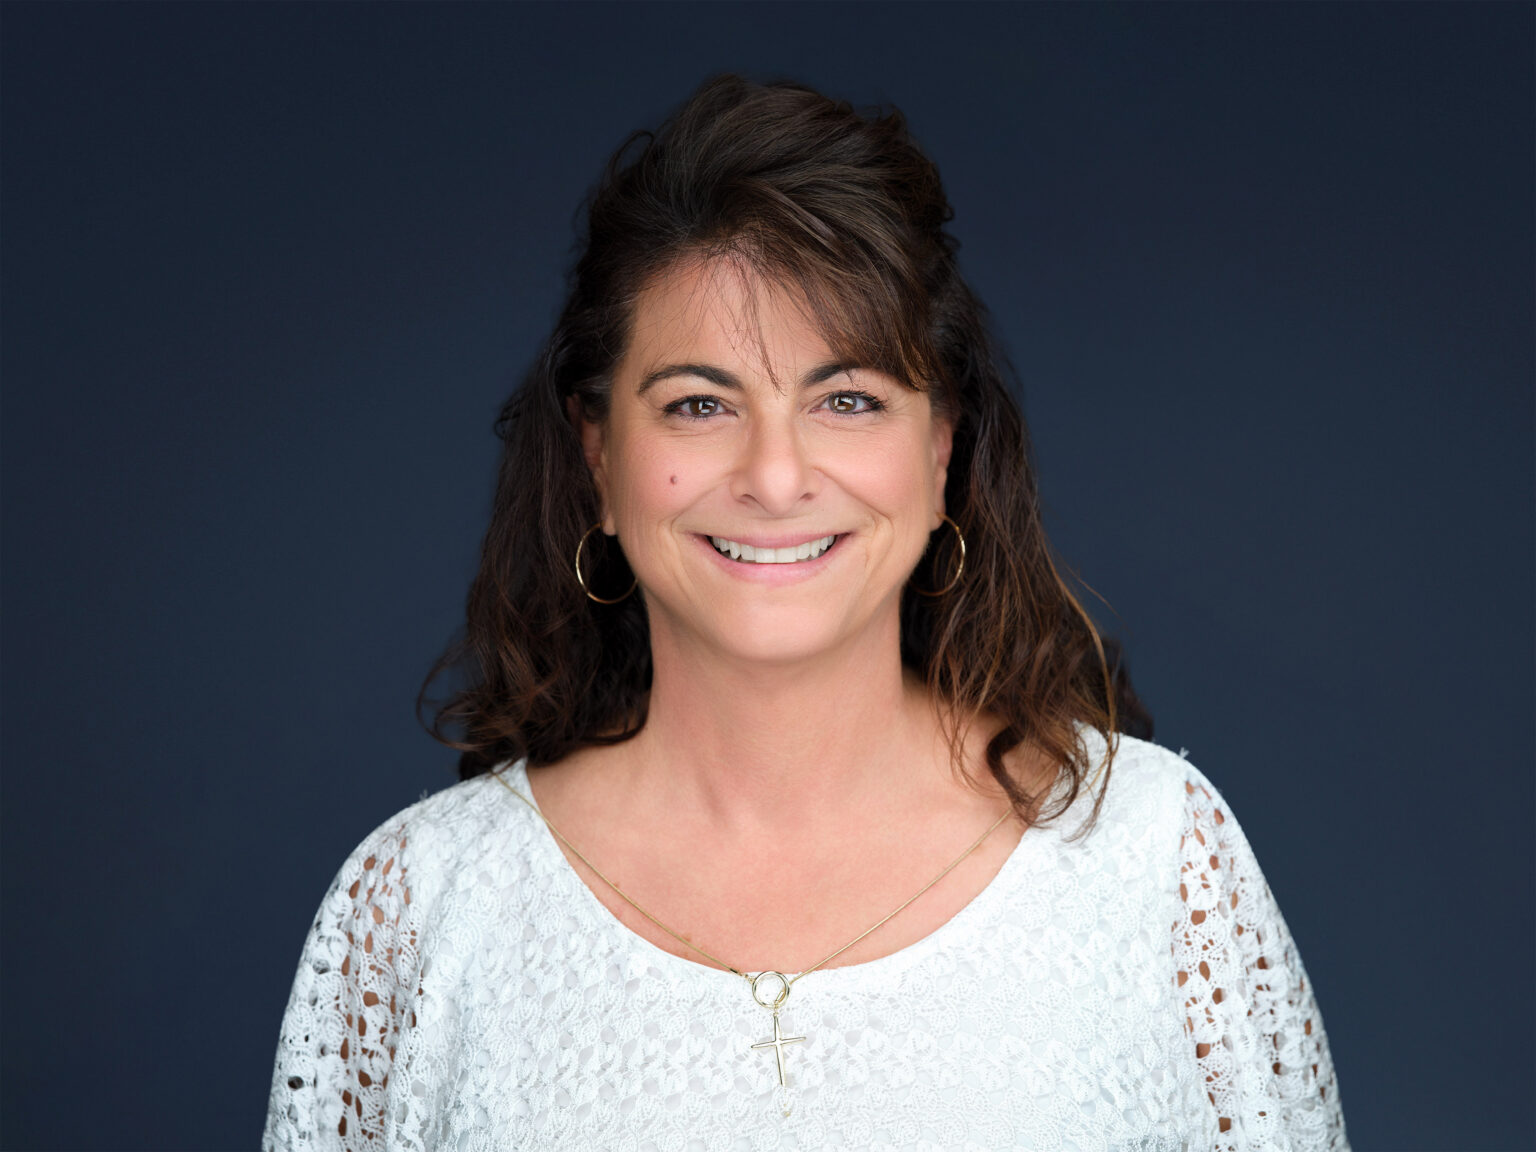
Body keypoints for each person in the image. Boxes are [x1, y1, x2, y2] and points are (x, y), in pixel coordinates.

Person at [263, 76, 1347, 1150]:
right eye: (699, 404)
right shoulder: (415, 911)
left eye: (847, 401)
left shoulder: (1157, 862)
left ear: (939, 450)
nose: (775, 478)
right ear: (599, 458)